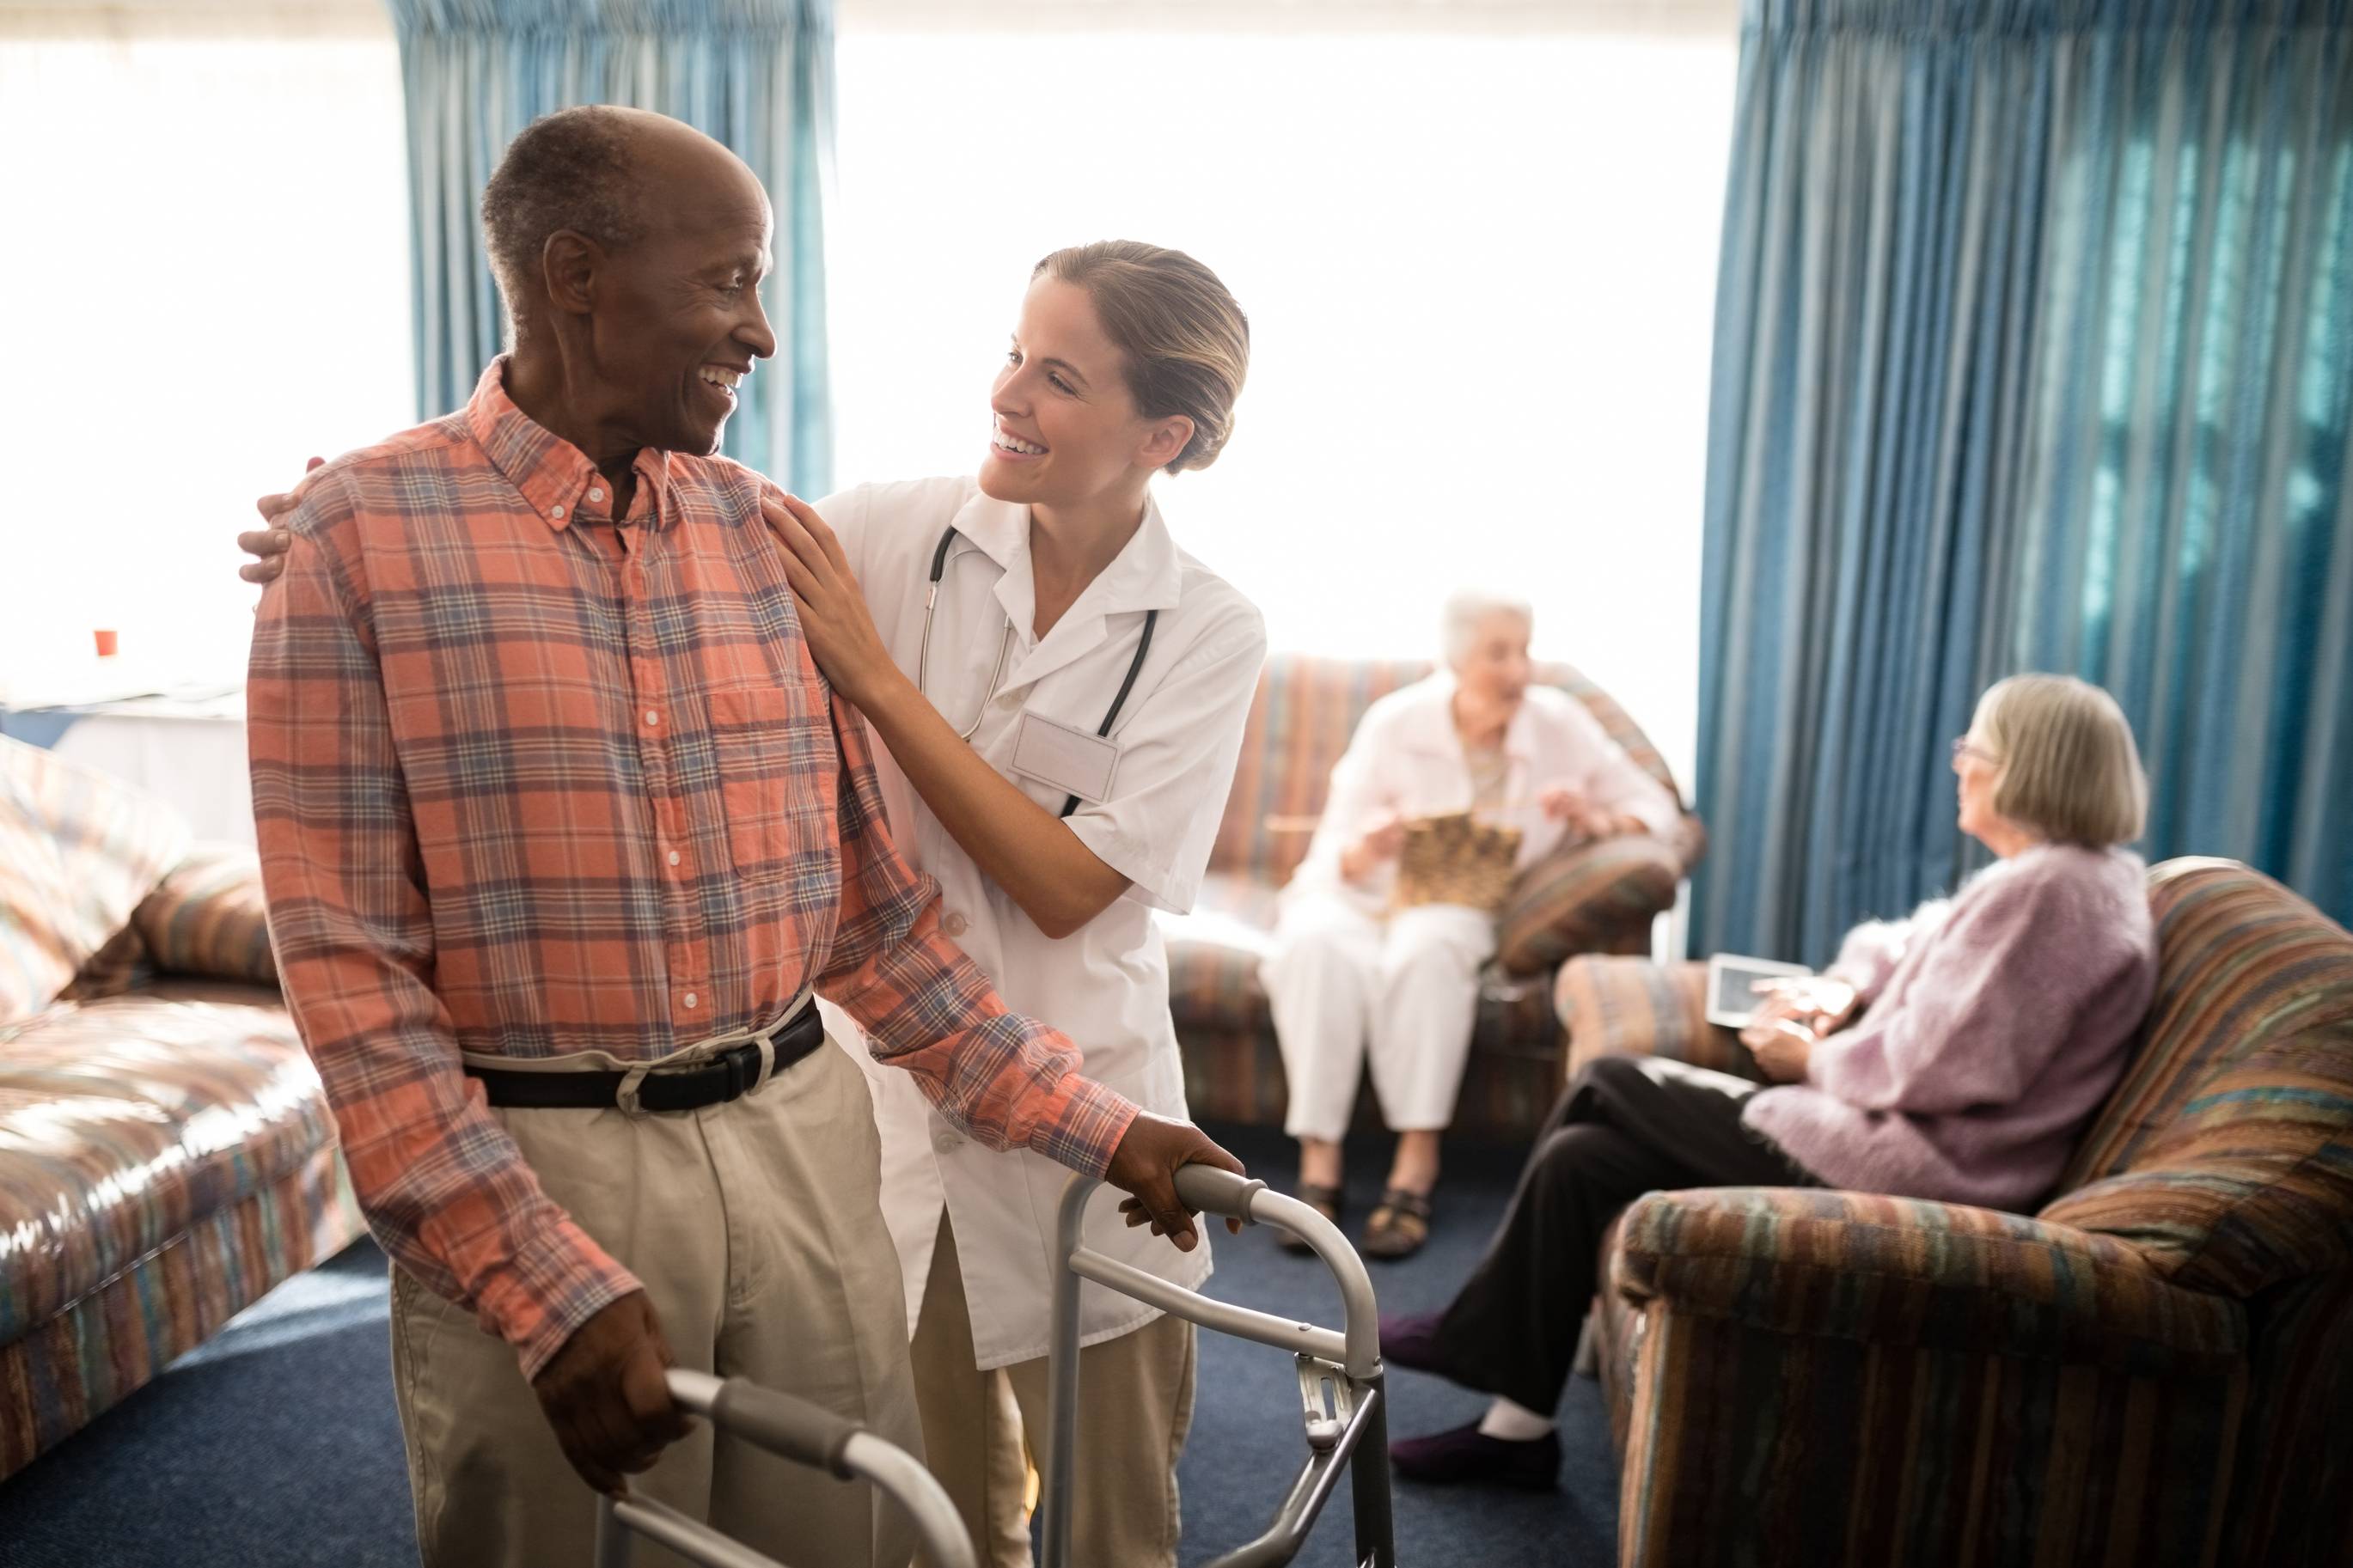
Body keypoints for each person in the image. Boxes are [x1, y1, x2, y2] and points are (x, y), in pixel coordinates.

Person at [241, 106, 1237, 1568]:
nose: (762, 335)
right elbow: (349, 980)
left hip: (808, 1141)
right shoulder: (362, 546)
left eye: (756, 285)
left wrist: (1098, 1123)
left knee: (857, 1535)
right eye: (728, 285)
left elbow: (872, 919)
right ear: (575, 275)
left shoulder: (762, 539)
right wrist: (530, 1275)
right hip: (552, 1154)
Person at [1380, 673, 2158, 1489]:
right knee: (1582, 1157)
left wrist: (1809, 1059)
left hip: (1920, 1160)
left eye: (1976, 750)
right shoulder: (2059, 877)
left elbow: (1944, 1066)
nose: (1959, 765)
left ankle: (1481, 1330)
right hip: (1900, 1139)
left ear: (2030, 768)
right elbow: (1905, 941)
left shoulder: (2049, 894)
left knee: (1610, 1078)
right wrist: (1839, 988)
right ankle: (1518, 1430)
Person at [1259, 591, 1679, 1259]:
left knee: (1430, 953)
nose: (1520, 669)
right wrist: (1368, 844)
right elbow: (1335, 846)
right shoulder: (1396, 720)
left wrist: (1592, 818)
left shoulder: (1559, 723)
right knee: (1313, 945)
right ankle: (1319, 1166)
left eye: (1525, 649)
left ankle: (1414, 1167)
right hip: (1362, 892)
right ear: (1455, 658)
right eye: (1499, 652)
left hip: (1455, 900)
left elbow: (1657, 808)